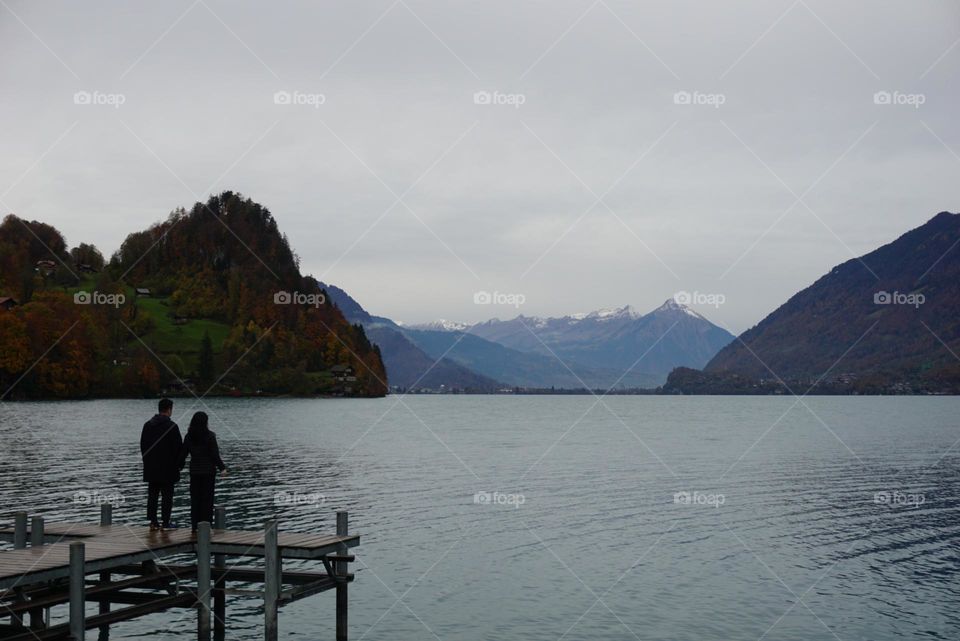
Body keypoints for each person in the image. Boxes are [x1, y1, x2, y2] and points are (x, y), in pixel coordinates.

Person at [179, 411, 227, 532]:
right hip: (208, 472)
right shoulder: (210, 436)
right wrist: (222, 468)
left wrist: (178, 466)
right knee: (207, 499)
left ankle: (195, 526)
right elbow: (214, 455)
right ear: (205, 422)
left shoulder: (188, 436)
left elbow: (183, 454)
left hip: (194, 472)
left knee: (195, 499)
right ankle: (206, 525)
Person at [140, 398, 183, 531]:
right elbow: (178, 448)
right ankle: (165, 522)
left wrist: (146, 461)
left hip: (151, 467)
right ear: (169, 409)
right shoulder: (172, 426)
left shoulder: (148, 425)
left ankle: (153, 522)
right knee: (167, 496)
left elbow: (143, 445)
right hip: (168, 468)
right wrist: (179, 464)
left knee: (152, 494)